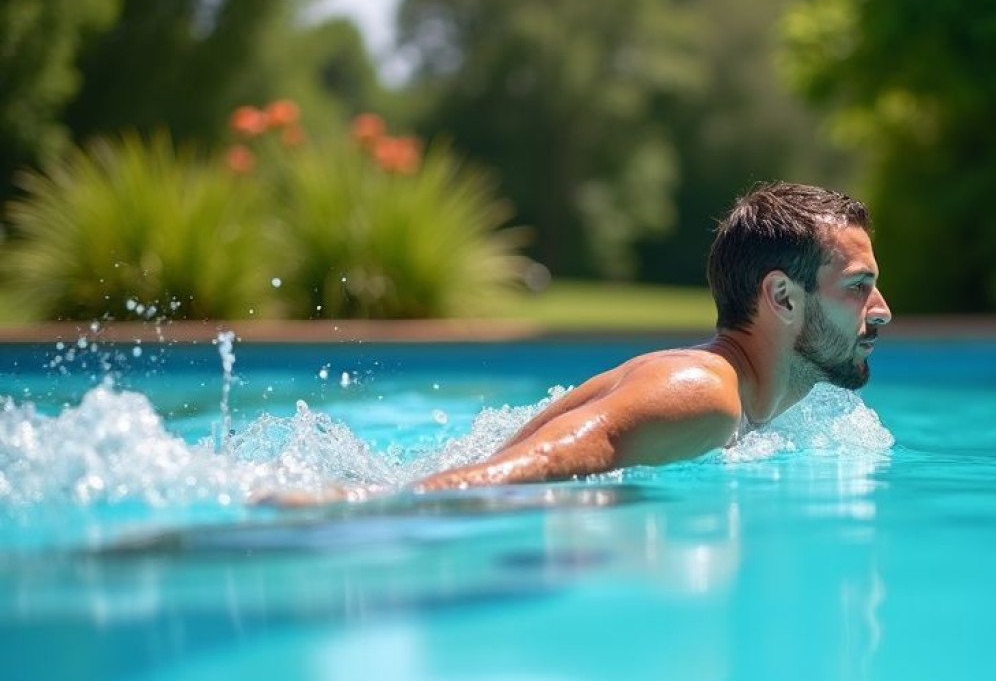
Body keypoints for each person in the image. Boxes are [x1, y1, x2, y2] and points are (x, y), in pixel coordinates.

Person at [277, 182, 891, 505]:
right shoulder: (704, 394)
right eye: (858, 287)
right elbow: (546, 463)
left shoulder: (744, 397)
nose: (881, 311)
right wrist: (363, 510)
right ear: (782, 298)